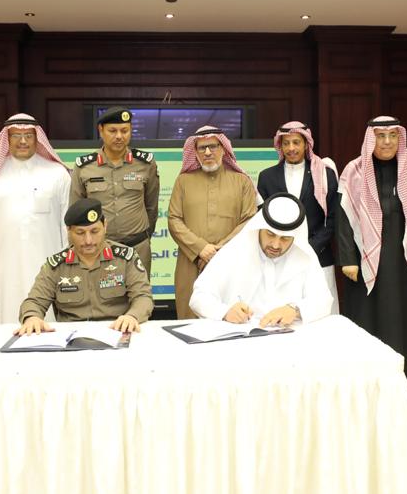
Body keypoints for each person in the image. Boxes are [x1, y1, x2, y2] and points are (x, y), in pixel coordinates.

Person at [337, 116, 407, 388]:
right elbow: (344, 219)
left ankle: (400, 384)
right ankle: (365, 384)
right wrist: (348, 259)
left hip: (402, 262)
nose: (387, 142)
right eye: (380, 136)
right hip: (363, 262)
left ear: (400, 139)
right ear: (370, 139)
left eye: (393, 136)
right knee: (365, 322)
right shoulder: (354, 171)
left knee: (400, 321)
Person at [0, 114, 71, 330]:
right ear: (6, 139)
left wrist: (68, 267)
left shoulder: (58, 174)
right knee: (4, 327)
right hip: (1, 270)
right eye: (16, 135)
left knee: (48, 328)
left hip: (49, 266)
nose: (23, 141)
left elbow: (67, 226)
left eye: (28, 135)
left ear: (38, 138)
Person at [189, 193, 333, 326]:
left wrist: (294, 310)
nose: (275, 245)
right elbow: (199, 296)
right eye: (270, 234)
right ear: (259, 228)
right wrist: (224, 312)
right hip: (240, 336)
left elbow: (324, 300)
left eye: (285, 238)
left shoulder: (305, 256)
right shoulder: (234, 251)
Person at [17, 198, 153, 334]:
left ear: (105, 226)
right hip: (71, 337)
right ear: (68, 231)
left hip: (116, 331)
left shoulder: (125, 259)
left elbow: (143, 297)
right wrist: (32, 317)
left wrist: (132, 316)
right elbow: (34, 302)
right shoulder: (56, 266)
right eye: (80, 233)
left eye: (94, 231)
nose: (88, 240)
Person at [166, 125, 257, 318]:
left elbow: (249, 220)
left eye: (213, 146)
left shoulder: (242, 181)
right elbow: (174, 219)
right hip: (191, 262)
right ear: (195, 152)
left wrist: (219, 251)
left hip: (231, 262)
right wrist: (201, 248)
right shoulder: (183, 181)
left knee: (231, 318)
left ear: (223, 148)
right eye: (202, 148)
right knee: (189, 319)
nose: (207, 152)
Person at [256, 121, 341, 304]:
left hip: (318, 255)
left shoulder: (324, 174)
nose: (291, 148)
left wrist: (311, 246)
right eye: (286, 143)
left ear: (306, 144)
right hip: (279, 256)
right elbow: (262, 218)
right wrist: (283, 246)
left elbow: (334, 217)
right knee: (283, 311)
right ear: (280, 146)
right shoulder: (266, 177)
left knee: (320, 310)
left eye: (296, 142)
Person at [69, 107, 159, 271]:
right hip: (99, 249)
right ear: (101, 130)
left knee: (139, 288)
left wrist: (144, 236)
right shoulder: (84, 167)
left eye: (124, 131)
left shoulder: (145, 164)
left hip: (137, 248)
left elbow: (151, 207)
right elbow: (75, 211)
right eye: (112, 131)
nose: (119, 136)